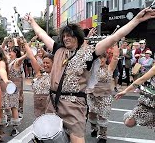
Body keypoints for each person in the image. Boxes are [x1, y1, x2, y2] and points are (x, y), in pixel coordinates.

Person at [24, 8, 155, 143]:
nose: (66, 38)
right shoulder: (58, 49)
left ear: (78, 37)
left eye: (70, 35)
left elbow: (114, 37)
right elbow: (42, 34)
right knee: (50, 138)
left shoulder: (89, 53)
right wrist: (32, 22)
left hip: (74, 105)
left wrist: (137, 19)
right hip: (52, 102)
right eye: (64, 36)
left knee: (77, 139)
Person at [87, 44, 119, 143]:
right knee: (91, 115)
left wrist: (114, 43)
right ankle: (94, 128)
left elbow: (115, 57)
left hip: (105, 97)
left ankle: (103, 136)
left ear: (105, 59)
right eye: (99, 58)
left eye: (103, 58)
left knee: (103, 116)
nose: (101, 60)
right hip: (91, 96)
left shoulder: (109, 68)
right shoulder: (91, 69)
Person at [115, 64, 155, 130]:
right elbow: (142, 79)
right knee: (129, 122)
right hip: (150, 101)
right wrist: (126, 90)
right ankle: (133, 114)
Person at [24, 39, 53, 117]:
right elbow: (32, 57)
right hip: (37, 107)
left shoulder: (55, 75)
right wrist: (25, 43)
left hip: (49, 107)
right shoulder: (40, 72)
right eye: (44, 63)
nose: (45, 65)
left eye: (47, 63)